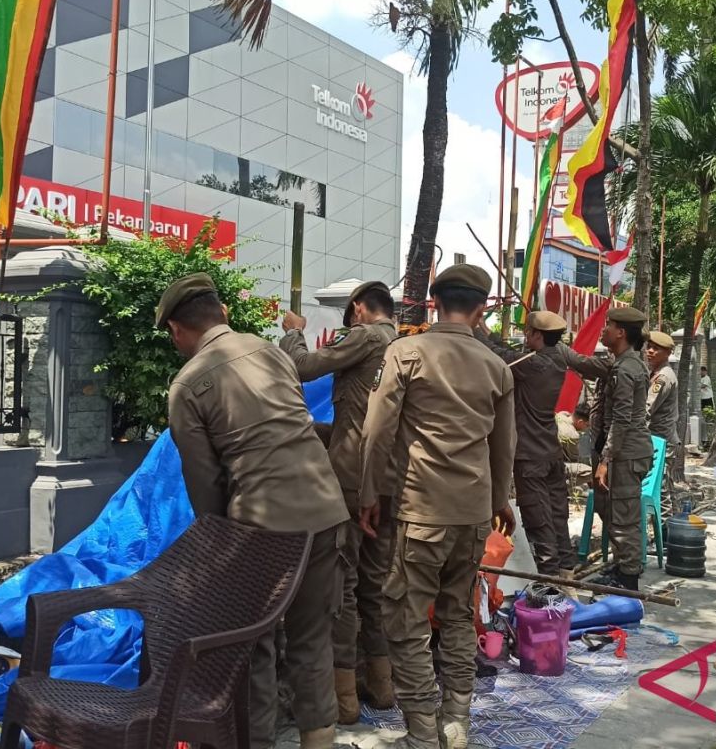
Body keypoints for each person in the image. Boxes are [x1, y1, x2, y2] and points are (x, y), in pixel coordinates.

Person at [161, 273, 349, 749]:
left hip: (264, 526)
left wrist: (218, 547)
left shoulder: (187, 385)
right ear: (222, 313)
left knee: (254, 646)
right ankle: (319, 742)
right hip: (326, 509)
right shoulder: (272, 352)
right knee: (311, 639)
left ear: (176, 331)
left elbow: (206, 484)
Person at [358, 264, 516, 749]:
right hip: (471, 515)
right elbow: (502, 447)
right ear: (481, 308)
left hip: (420, 511)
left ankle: (423, 729)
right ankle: (457, 722)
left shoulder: (406, 352)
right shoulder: (497, 367)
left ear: (434, 302)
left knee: (404, 617)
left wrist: (368, 493)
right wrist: (500, 499)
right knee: (457, 615)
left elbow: (378, 429)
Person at [278, 281, 398, 722]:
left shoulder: (365, 336)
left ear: (360, 309)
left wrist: (294, 331)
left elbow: (303, 367)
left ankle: (344, 699)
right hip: (390, 481)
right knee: (375, 584)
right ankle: (381, 686)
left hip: (352, 481)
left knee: (342, 587)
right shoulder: (402, 344)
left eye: (350, 317)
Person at [556, 307, 654, 591]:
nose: (604, 329)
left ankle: (628, 579)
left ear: (621, 333)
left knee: (624, 518)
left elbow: (622, 419)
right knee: (606, 508)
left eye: (609, 325)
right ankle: (622, 567)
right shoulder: (619, 363)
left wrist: (606, 461)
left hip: (625, 455)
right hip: (616, 452)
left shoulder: (627, 369)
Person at [475, 310, 573, 578]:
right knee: (557, 515)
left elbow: (501, 355)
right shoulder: (555, 359)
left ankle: (550, 583)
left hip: (530, 456)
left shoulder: (532, 365)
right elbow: (508, 352)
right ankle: (566, 573)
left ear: (537, 335)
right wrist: (487, 330)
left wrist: (475, 328)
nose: (524, 336)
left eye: (528, 332)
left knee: (537, 518)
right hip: (550, 451)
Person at [644, 331, 680, 511]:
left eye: (656, 349)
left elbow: (646, 409)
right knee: (664, 485)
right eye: (649, 347)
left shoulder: (663, 377)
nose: (650, 351)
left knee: (661, 487)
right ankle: (671, 528)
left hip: (661, 440)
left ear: (667, 353)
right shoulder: (656, 373)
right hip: (660, 438)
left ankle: (665, 531)